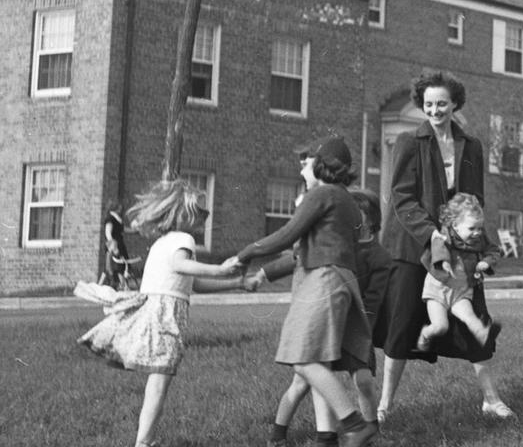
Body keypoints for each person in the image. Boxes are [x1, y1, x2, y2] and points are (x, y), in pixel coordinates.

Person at [371, 73, 512, 421]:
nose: (435, 110)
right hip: (411, 247)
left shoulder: (471, 145)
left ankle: (491, 399)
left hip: (460, 248)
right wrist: (433, 234)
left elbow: (475, 199)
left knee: (473, 318)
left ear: (455, 104)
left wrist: (469, 239)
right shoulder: (409, 142)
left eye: (442, 104)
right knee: (402, 325)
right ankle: (385, 405)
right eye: (429, 104)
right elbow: (402, 198)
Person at [229, 136, 378, 447]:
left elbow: (287, 235)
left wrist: (244, 254)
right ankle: (327, 438)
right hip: (341, 280)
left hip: (323, 279)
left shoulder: (321, 194)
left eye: (308, 162)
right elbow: (301, 250)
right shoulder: (347, 201)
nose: (302, 167)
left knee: (304, 359)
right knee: (319, 362)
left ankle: (354, 423)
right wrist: (266, 272)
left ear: (323, 165)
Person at [77, 179, 246, 447]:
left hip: (156, 314)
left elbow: (194, 284)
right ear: (182, 213)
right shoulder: (184, 240)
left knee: (157, 382)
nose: (206, 215)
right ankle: (144, 443)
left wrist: (236, 283)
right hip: (165, 318)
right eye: (200, 210)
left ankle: (144, 441)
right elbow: (181, 266)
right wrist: (220, 269)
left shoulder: (163, 242)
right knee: (159, 383)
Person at [254, 188, 387, 447]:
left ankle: (369, 431)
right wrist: (262, 274)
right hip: (326, 321)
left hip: (355, 327)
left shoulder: (378, 256)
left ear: (369, 221)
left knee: (363, 379)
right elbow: (292, 259)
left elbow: (372, 302)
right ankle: (281, 434)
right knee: (304, 380)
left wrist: (363, 335)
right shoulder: (332, 243)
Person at [417, 192, 503, 352]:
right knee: (441, 326)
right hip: (438, 291)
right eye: (472, 228)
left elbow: (493, 250)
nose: (477, 233)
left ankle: (484, 335)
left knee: (470, 317)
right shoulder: (445, 235)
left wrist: (486, 262)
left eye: (479, 228)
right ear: (455, 225)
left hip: (461, 292)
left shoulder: (479, 239)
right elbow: (438, 246)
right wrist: (444, 261)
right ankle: (425, 334)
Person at [99, 202, 141, 291]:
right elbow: (108, 234)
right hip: (114, 246)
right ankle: (123, 286)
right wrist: (113, 247)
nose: (120, 210)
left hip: (120, 245)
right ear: (114, 208)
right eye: (119, 208)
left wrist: (135, 231)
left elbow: (124, 229)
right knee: (115, 267)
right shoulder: (110, 218)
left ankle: (123, 286)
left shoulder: (117, 219)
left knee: (120, 266)